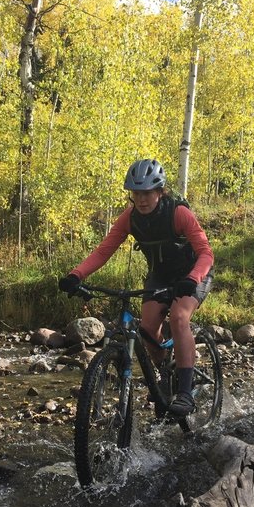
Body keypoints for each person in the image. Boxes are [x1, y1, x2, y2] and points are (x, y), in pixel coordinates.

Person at [58, 158, 214, 416]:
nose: (141, 199)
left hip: (193, 273)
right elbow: (103, 251)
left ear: (160, 192)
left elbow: (206, 253)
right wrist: (76, 275)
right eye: (136, 194)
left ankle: (185, 393)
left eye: (147, 193)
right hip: (160, 276)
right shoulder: (130, 218)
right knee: (148, 330)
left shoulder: (178, 213)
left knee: (178, 317)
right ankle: (165, 377)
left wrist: (193, 278)